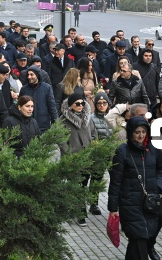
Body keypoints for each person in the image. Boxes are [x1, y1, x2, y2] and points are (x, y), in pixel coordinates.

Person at [108, 116, 162, 260]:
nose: (141, 135)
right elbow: (116, 181)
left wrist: (158, 186)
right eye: (137, 132)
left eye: (144, 132)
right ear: (130, 133)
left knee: (139, 242)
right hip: (130, 203)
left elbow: (161, 169)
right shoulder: (122, 151)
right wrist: (113, 208)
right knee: (138, 238)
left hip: (150, 202)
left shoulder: (153, 149)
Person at [59, 92, 97, 226]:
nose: (81, 106)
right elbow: (61, 140)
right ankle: (81, 214)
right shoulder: (63, 120)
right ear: (70, 106)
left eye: (82, 103)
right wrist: (68, 153)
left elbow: (93, 132)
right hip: (73, 158)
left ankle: (75, 209)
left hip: (87, 157)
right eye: (77, 104)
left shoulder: (88, 118)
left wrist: (92, 144)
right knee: (77, 185)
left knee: (84, 184)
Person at [19, 66, 57, 133]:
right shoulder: (24, 89)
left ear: (37, 75)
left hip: (43, 126)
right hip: (27, 125)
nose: (29, 77)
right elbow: (19, 105)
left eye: (31, 74)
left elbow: (52, 106)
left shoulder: (47, 88)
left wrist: (56, 123)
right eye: (28, 75)